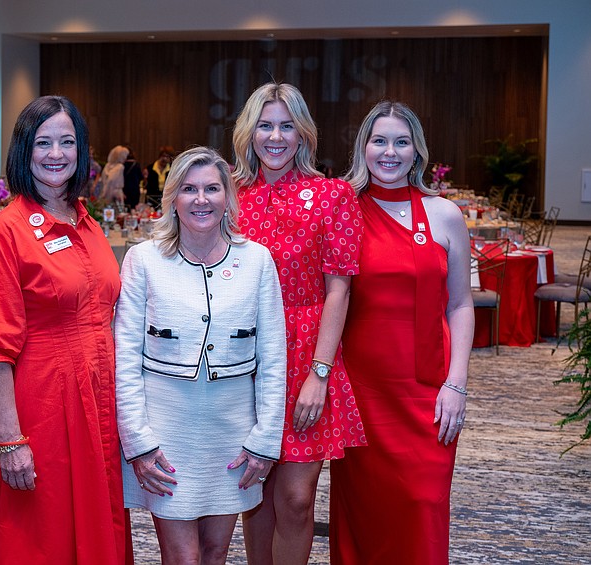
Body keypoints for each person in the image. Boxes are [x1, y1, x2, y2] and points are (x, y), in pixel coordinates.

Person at [0, 95, 128, 565]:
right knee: (43, 537)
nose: (56, 153)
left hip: (97, 401)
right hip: (42, 407)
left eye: (67, 141)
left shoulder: (88, 223)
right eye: (43, 142)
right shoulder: (5, 229)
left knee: (98, 531)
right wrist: (11, 439)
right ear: (24, 151)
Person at [114, 146, 287, 564]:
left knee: (214, 553)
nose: (201, 199)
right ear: (173, 196)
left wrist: (265, 440)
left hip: (232, 436)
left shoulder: (257, 261)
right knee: (183, 557)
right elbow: (125, 359)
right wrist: (138, 442)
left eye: (212, 188)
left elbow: (273, 359)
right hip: (166, 435)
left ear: (228, 197)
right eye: (189, 189)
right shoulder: (143, 260)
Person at [330, 101, 473, 564]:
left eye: (401, 141)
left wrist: (457, 383)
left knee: (423, 505)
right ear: (363, 148)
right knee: (365, 511)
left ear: (417, 150)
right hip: (362, 393)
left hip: (428, 390)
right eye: (379, 140)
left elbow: (460, 303)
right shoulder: (343, 209)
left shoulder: (445, 214)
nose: (389, 152)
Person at [232, 82, 366, 564]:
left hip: (307, 353)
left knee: (296, 499)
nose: (275, 137)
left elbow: (339, 290)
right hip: (243, 357)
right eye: (265, 126)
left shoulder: (332, 196)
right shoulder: (227, 195)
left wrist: (320, 372)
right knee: (255, 495)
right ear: (248, 133)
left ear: (303, 134)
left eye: (286, 126)